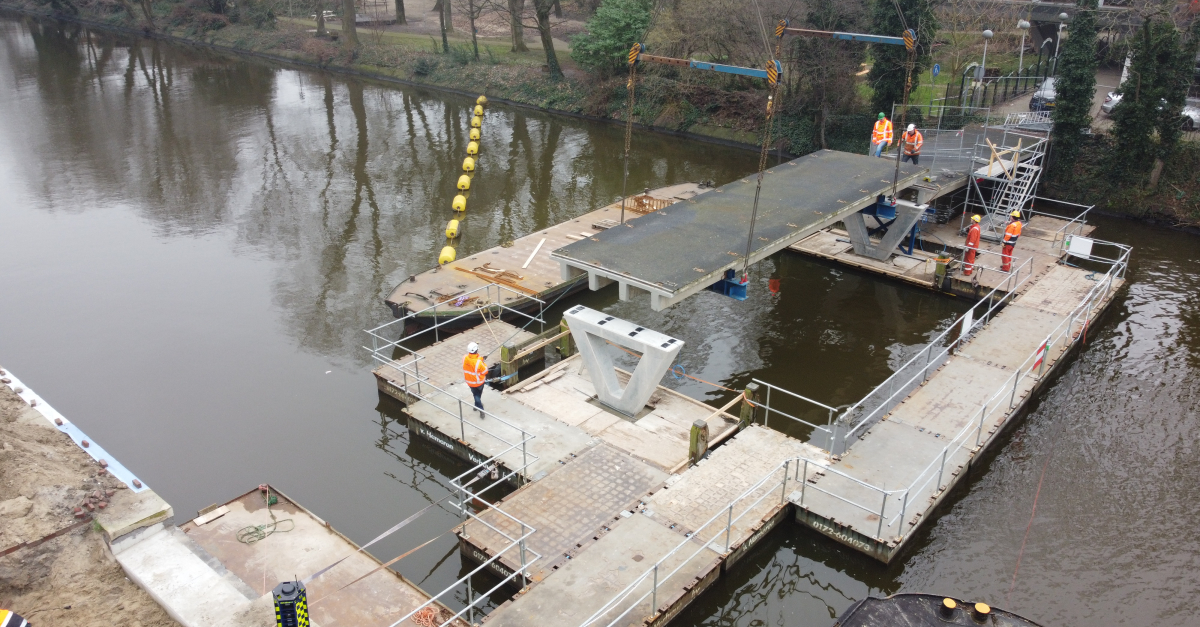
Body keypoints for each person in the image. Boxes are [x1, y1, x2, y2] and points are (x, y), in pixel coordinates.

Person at [463, 341, 488, 415]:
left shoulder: (464, 358)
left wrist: (481, 359)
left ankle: (476, 405)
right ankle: (481, 410)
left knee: (475, 394)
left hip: (469, 382)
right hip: (479, 382)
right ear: (477, 350)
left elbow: (471, 362)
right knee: (477, 395)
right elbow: (485, 371)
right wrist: (483, 362)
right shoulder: (479, 362)